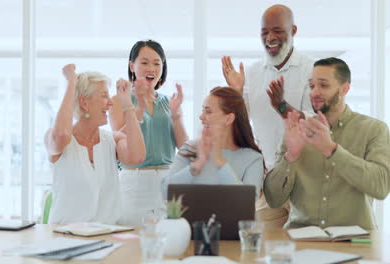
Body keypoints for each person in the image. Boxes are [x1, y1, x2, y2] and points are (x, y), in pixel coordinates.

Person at [264, 57, 390, 230]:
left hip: (356, 241)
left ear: (344, 89)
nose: (315, 92)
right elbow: (273, 199)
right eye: (312, 85)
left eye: (323, 85)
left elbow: (381, 187)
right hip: (301, 241)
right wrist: (290, 156)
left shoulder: (374, 129)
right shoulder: (296, 130)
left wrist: (332, 150)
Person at [221, 4, 314, 227]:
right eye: (264, 32)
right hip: (268, 183)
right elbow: (240, 124)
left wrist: (282, 106)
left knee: (304, 249)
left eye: (278, 30)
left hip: (305, 182)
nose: (270, 37)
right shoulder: (252, 73)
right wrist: (236, 91)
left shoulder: (312, 69)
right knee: (259, 247)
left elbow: (314, 125)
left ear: (293, 31)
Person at [45, 64, 146, 224]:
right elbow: (63, 134)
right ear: (84, 103)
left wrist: (127, 104)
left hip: (107, 237)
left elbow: (137, 156)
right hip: (64, 238)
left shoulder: (112, 140)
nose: (110, 103)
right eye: (104, 96)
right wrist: (72, 81)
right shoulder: (56, 140)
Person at [109, 40, 188, 226]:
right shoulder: (120, 100)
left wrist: (176, 115)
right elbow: (120, 140)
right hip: (134, 181)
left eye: (156, 63)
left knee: (167, 240)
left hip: (168, 179)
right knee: (130, 242)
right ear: (132, 66)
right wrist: (138, 108)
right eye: (144, 63)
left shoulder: (169, 102)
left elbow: (184, 147)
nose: (150, 68)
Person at [162, 87, 265, 199]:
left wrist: (219, 161)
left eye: (208, 111)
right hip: (192, 217)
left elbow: (248, 201)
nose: (201, 117)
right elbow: (165, 192)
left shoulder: (253, 158)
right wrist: (197, 164)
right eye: (203, 110)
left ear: (229, 119)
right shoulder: (190, 148)